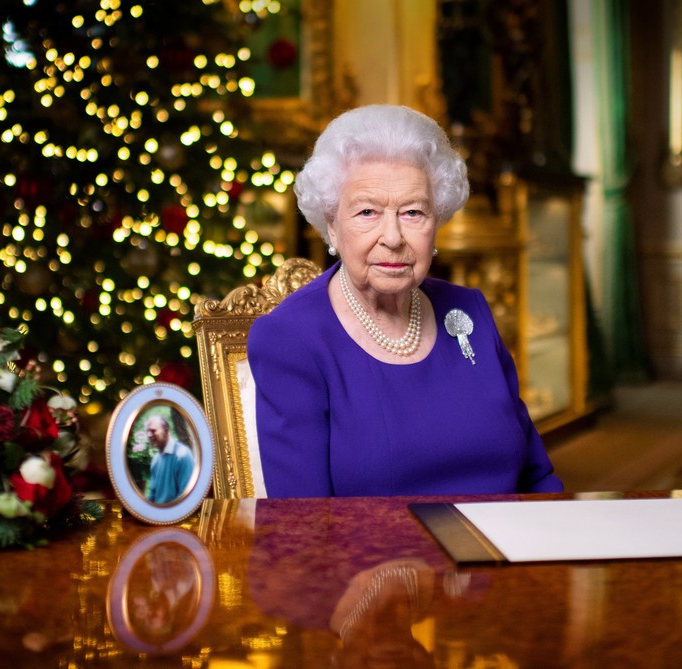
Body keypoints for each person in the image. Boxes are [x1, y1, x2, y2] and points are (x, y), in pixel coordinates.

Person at [247, 104, 563, 497]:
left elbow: (537, 477)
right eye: (367, 212)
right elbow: (304, 526)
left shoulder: (470, 312)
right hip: (377, 559)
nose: (393, 237)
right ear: (332, 224)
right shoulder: (291, 339)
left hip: (504, 550)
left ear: (437, 222)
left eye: (413, 212)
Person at [145, 415, 195, 504]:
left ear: (166, 430)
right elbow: (152, 494)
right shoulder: (156, 460)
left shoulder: (182, 455)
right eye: (147, 431)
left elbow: (186, 497)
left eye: (153, 431)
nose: (149, 435)